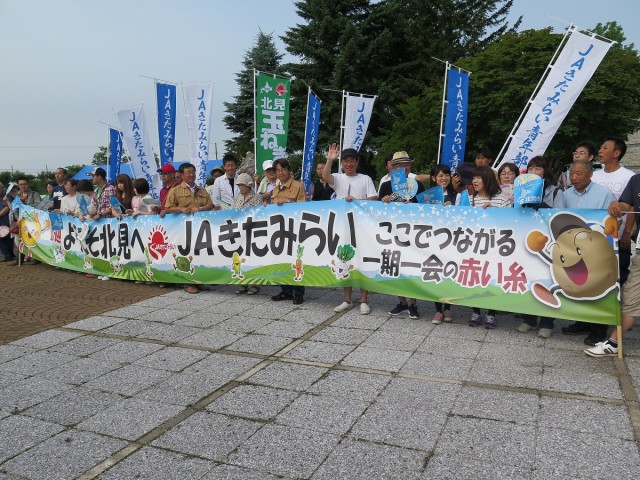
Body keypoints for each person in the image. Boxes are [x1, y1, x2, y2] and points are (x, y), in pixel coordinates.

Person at [564, 138, 636, 345]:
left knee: (600, 287)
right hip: (574, 249)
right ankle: (581, 322)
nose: (574, 178)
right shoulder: (567, 194)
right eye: (572, 174)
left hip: (599, 248)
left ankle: (598, 329)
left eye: (579, 174)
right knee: (577, 285)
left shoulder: (604, 194)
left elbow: (616, 219)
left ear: (590, 175)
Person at [585, 176, 640, 357]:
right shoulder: (636, 180)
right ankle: (613, 343)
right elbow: (624, 206)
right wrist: (616, 206)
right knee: (631, 295)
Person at [322, 143, 377, 314]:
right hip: (342, 226)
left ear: (357, 162)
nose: (349, 164)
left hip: (361, 227)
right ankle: (347, 299)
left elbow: (374, 198)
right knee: (343, 260)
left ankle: (364, 300)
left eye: (352, 161)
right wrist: (329, 160)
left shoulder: (365, 179)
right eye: (345, 161)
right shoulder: (338, 178)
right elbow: (325, 177)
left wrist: (356, 201)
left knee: (362, 261)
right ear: (342, 164)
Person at [516, 156, 564, 338]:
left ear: (545, 172)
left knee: (546, 282)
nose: (533, 172)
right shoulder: (520, 191)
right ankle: (528, 319)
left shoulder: (555, 192)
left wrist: (541, 205)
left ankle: (547, 322)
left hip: (547, 244)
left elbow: (558, 216)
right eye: (531, 169)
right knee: (528, 280)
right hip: (524, 240)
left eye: (538, 169)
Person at [378, 151, 426, 319]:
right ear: (392, 168)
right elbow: (377, 211)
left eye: (406, 165)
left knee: (412, 266)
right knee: (396, 266)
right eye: (398, 165)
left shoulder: (417, 185)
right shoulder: (385, 185)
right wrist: (384, 201)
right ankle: (401, 302)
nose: (403, 168)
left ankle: (413, 304)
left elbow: (425, 207)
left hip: (413, 233)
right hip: (393, 232)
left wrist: (411, 203)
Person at [467, 166, 511, 328]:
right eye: (473, 178)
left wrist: (492, 212)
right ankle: (476, 312)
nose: (475, 181)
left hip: (495, 247)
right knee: (475, 279)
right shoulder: (470, 199)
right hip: (474, 247)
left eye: (478, 178)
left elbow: (509, 222)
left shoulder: (501, 199)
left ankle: (491, 314)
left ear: (488, 180)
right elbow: (463, 221)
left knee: (492, 279)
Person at [164, 162, 214, 294]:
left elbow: (210, 205)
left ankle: (200, 280)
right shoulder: (175, 191)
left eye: (193, 172)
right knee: (186, 255)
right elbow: (168, 208)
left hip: (201, 229)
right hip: (183, 230)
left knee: (200, 254)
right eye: (188, 172)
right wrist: (181, 208)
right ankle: (187, 282)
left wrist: (201, 208)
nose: (192, 174)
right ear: (181, 175)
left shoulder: (202, 190)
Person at [269, 158, 307, 305]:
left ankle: (298, 293)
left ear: (288, 170)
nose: (281, 173)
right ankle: (286, 290)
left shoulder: (298, 186)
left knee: (296, 260)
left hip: (295, 228)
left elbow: (304, 207)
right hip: (278, 230)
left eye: (283, 169)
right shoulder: (275, 189)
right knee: (282, 260)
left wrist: (288, 202)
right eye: (277, 170)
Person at [429, 164, 458, 323]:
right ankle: (438, 310)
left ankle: (448, 309)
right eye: (440, 175)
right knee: (435, 274)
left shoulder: (457, 196)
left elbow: (465, 215)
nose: (444, 178)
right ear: (433, 178)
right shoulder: (427, 197)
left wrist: (452, 208)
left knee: (449, 274)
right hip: (433, 241)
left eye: (446, 175)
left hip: (452, 241)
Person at [232, 173, 263, 295]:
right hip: (240, 232)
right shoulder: (237, 198)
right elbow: (233, 213)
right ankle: (242, 283)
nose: (241, 188)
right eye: (239, 185)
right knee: (239, 257)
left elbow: (259, 214)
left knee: (253, 257)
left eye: (243, 185)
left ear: (249, 185)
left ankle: (255, 284)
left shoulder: (256, 197)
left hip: (253, 231)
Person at [0, 183, 16, 262]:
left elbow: (7, 208)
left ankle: (9, 255)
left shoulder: (8, 196)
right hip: (1, 221)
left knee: (8, 238)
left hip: (7, 220)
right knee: (2, 239)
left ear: (2, 188)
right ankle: (7, 255)